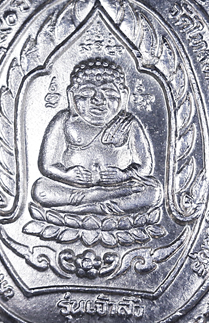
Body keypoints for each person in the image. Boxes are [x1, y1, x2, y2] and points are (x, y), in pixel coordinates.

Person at [31, 58, 162, 215]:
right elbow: (46, 165)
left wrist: (123, 176)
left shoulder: (128, 123)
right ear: (72, 96)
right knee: (40, 189)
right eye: (86, 92)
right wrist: (68, 175)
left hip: (119, 185)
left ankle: (79, 209)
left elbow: (145, 166)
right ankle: (105, 202)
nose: (98, 100)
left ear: (123, 96)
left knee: (153, 190)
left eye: (109, 93)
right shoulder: (64, 120)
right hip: (75, 187)